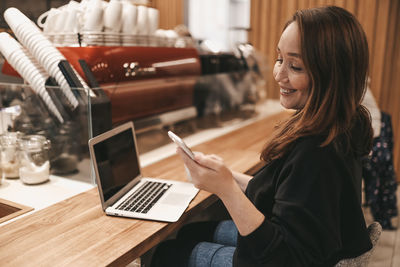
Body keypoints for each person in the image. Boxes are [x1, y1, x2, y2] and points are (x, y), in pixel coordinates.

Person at [151, 6, 373, 266]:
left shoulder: (317, 150)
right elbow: (287, 194)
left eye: (296, 66)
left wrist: (226, 191)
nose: (279, 75)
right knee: (190, 232)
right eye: (280, 59)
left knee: (168, 255)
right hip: (323, 246)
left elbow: (284, 258)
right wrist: (226, 176)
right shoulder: (341, 121)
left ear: (331, 74)